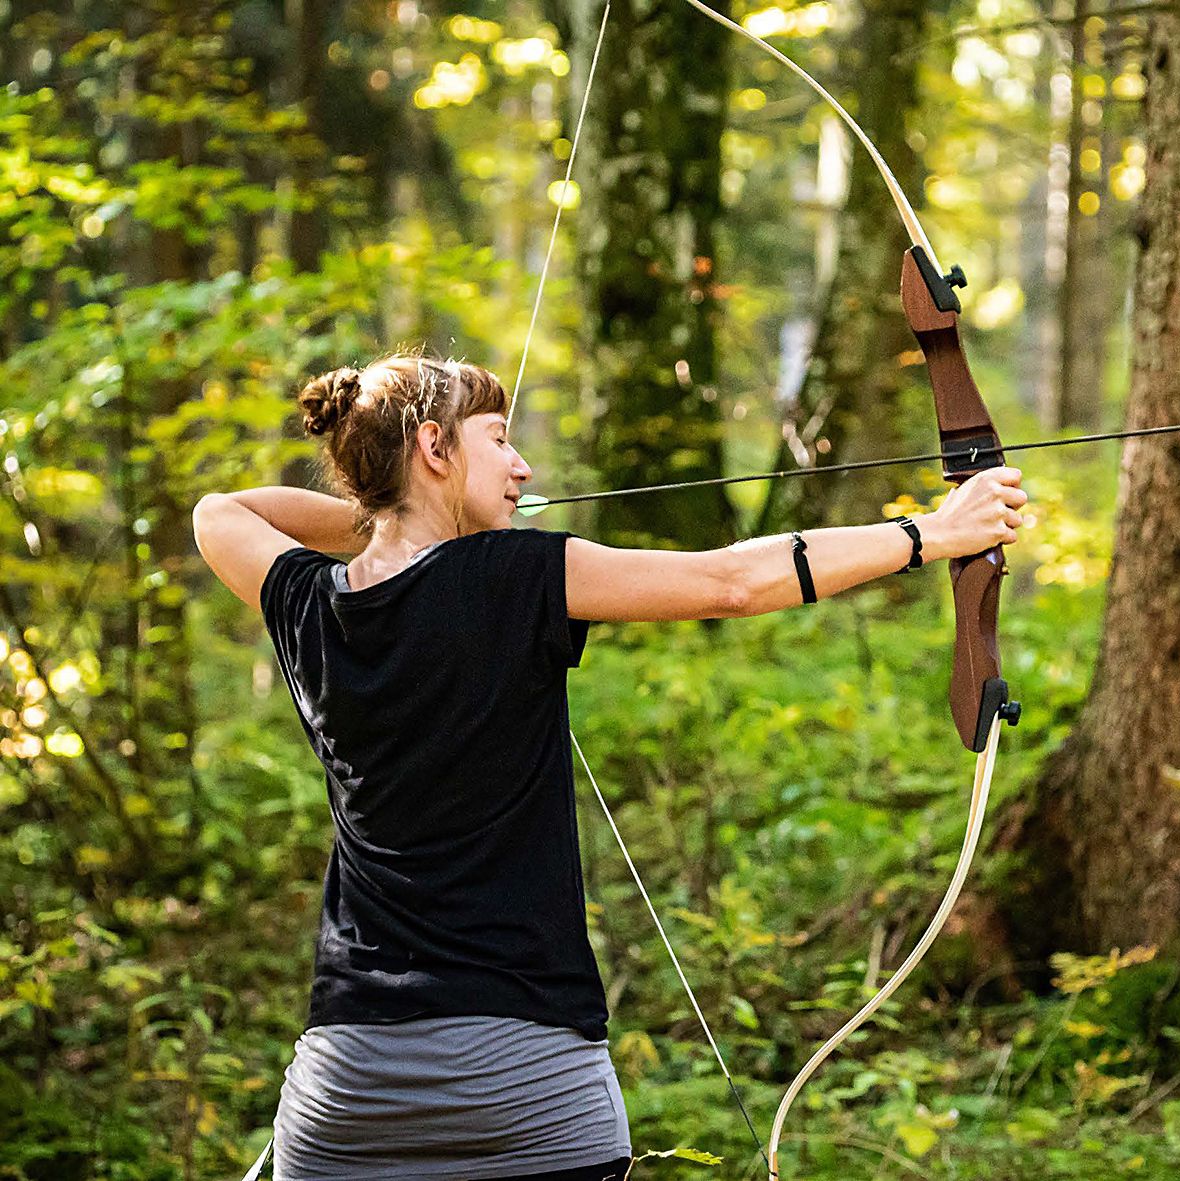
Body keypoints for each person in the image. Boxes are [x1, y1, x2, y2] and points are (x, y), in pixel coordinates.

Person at [191, 353, 1027, 1180]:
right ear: (435, 448)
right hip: (528, 1085)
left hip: (346, 1093)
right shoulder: (513, 573)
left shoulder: (309, 601)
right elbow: (731, 582)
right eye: (499, 440)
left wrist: (394, 524)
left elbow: (217, 511)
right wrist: (937, 532)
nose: (521, 466)